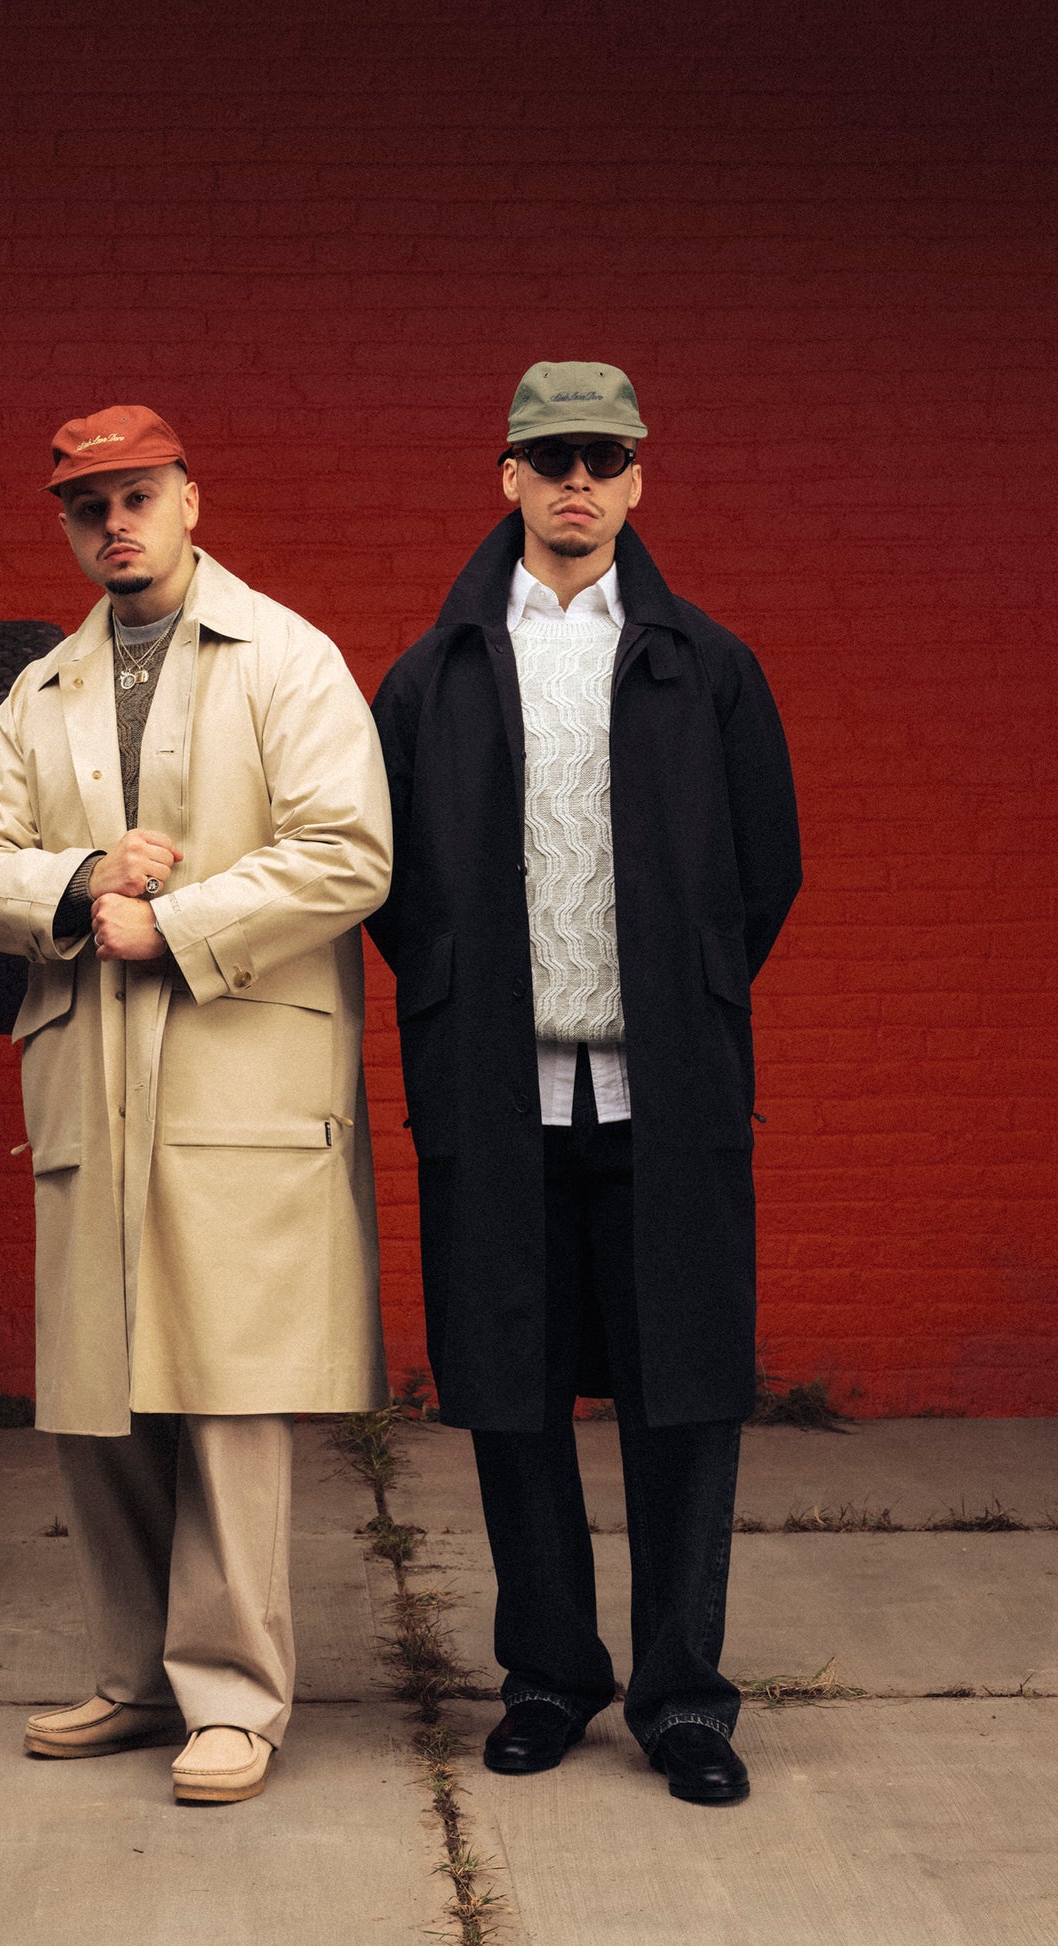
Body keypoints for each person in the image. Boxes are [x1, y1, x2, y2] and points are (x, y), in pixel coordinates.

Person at [0, 405, 392, 1805]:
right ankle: (136, 1678)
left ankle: (236, 1701)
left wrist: (174, 918)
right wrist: (78, 885)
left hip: (234, 1073)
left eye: (139, 495)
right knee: (101, 1399)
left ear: (192, 496)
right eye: (89, 507)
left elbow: (350, 852)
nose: (115, 523)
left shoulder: (288, 657)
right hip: (94, 1079)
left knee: (228, 1398)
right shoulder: (44, 688)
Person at [367, 361, 800, 1805]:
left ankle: (682, 1696)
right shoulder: (436, 674)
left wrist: (688, 987)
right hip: (498, 1094)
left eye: (601, 457)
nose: (575, 482)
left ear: (637, 478)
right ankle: (550, 1674)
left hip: (663, 1093)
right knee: (511, 1389)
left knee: (685, 1392)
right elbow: (393, 880)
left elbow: (765, 871)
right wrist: (451, 994)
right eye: (548, 456)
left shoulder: (706, 662)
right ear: (506, 477)